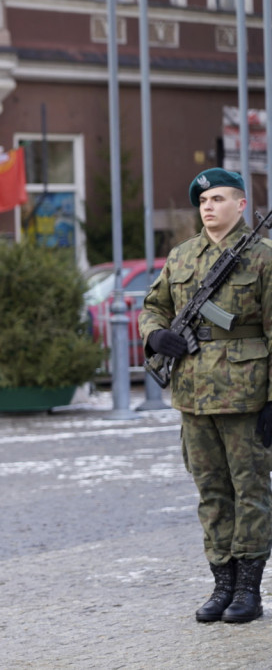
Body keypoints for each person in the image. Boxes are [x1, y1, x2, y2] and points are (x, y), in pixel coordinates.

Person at [139, 167, 272, 624]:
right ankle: (222, 584)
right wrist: (156, 337)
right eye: (202, 201)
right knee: (211, 492)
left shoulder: (263, 257)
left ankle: (249, 590)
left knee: (251, 491)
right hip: (193, 396)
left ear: (240, 204)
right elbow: (154, 307)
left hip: (246, 397)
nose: (208, 207)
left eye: (218, 198)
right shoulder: (181, 257)